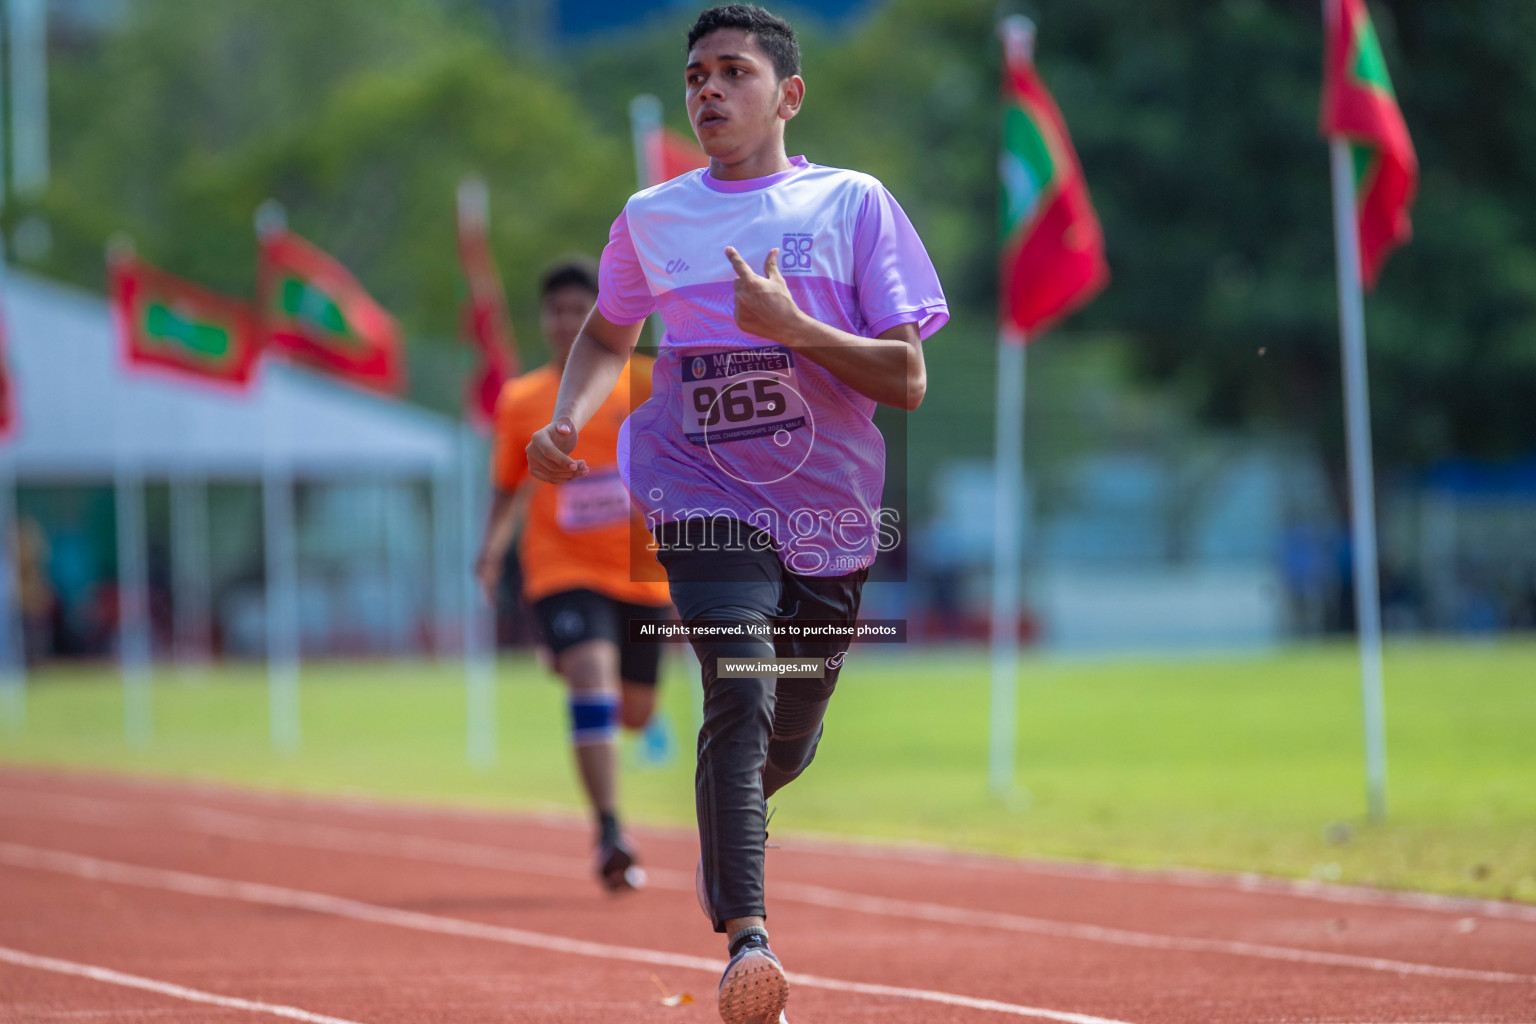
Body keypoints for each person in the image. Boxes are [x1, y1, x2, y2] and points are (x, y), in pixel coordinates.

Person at [528, 7, 947, 1021]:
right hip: (697, 493)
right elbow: (606, 334)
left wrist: (793, 328)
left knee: (781, 742)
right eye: (696, 76)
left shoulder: (854, 205)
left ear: (788, 94)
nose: (708, 91)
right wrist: (567, 419)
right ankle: (747, 941)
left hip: (830, 518)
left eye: (733, 73)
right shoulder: (655, 216)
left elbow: (908, 376)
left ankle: (741, 803)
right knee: (740, 683)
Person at [477, 257, 674, 894]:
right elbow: (507, 489)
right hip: (561, 567)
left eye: (576, 310)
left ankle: (590, 684)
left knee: (636, 713)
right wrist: (489, 551)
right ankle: (610, 831)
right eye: (554, 311)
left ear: (600, 314)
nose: (565, 322)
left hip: (641, 574)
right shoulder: (522, 400)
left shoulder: (645, 382)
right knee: (591, 673)